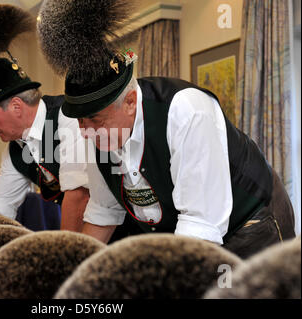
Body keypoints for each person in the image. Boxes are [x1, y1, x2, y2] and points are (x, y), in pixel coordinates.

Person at [36, 0, 295, 257]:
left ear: (130, 102)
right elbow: (104, 211)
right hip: (190, 231)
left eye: (96, 120)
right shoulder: (96, 137)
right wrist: (73, 271)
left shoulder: (186, 111)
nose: (85, 132)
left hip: (250, 219)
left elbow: (200, 226)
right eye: (80, 122)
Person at [0, 4, 89, 232]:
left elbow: (79, 195)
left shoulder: (68, 117)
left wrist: (66, 256)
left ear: (16, 106)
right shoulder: (15, 152)